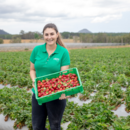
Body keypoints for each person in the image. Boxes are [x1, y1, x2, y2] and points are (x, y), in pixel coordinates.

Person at [30, 23, 70, 130]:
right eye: (46, 34)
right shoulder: (37, 50)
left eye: (52, 34)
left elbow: (63, 75)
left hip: (56, 94)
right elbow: (32, 69)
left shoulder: (63, 52)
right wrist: (34, 80)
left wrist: (62, 91)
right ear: (43, 36)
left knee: (55, 126)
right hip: (38, 94)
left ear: (57, 34)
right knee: (37, 127)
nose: (49, 37)